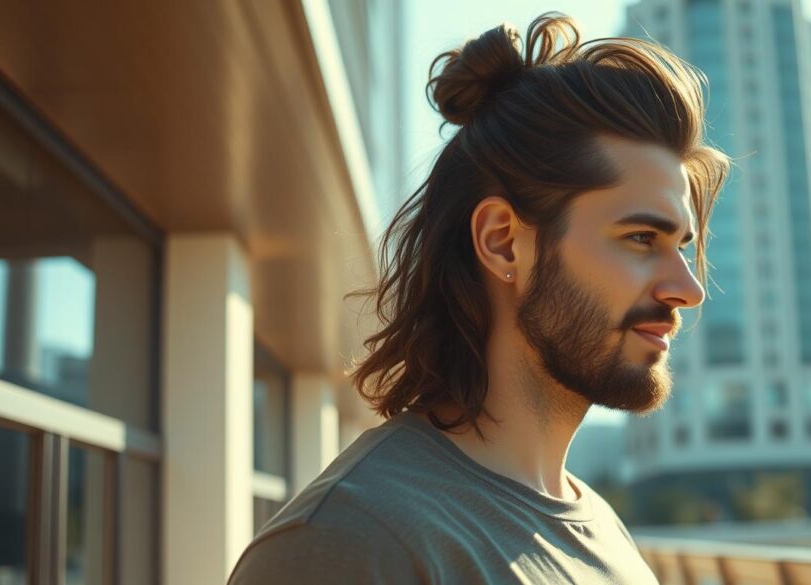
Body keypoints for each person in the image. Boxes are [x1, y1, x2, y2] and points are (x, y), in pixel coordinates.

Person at [228, 12, 728, 584]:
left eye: (681, 247)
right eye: (641, 239)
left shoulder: (600, 525)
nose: (687, 290)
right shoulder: (348, 542)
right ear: (503, 243)